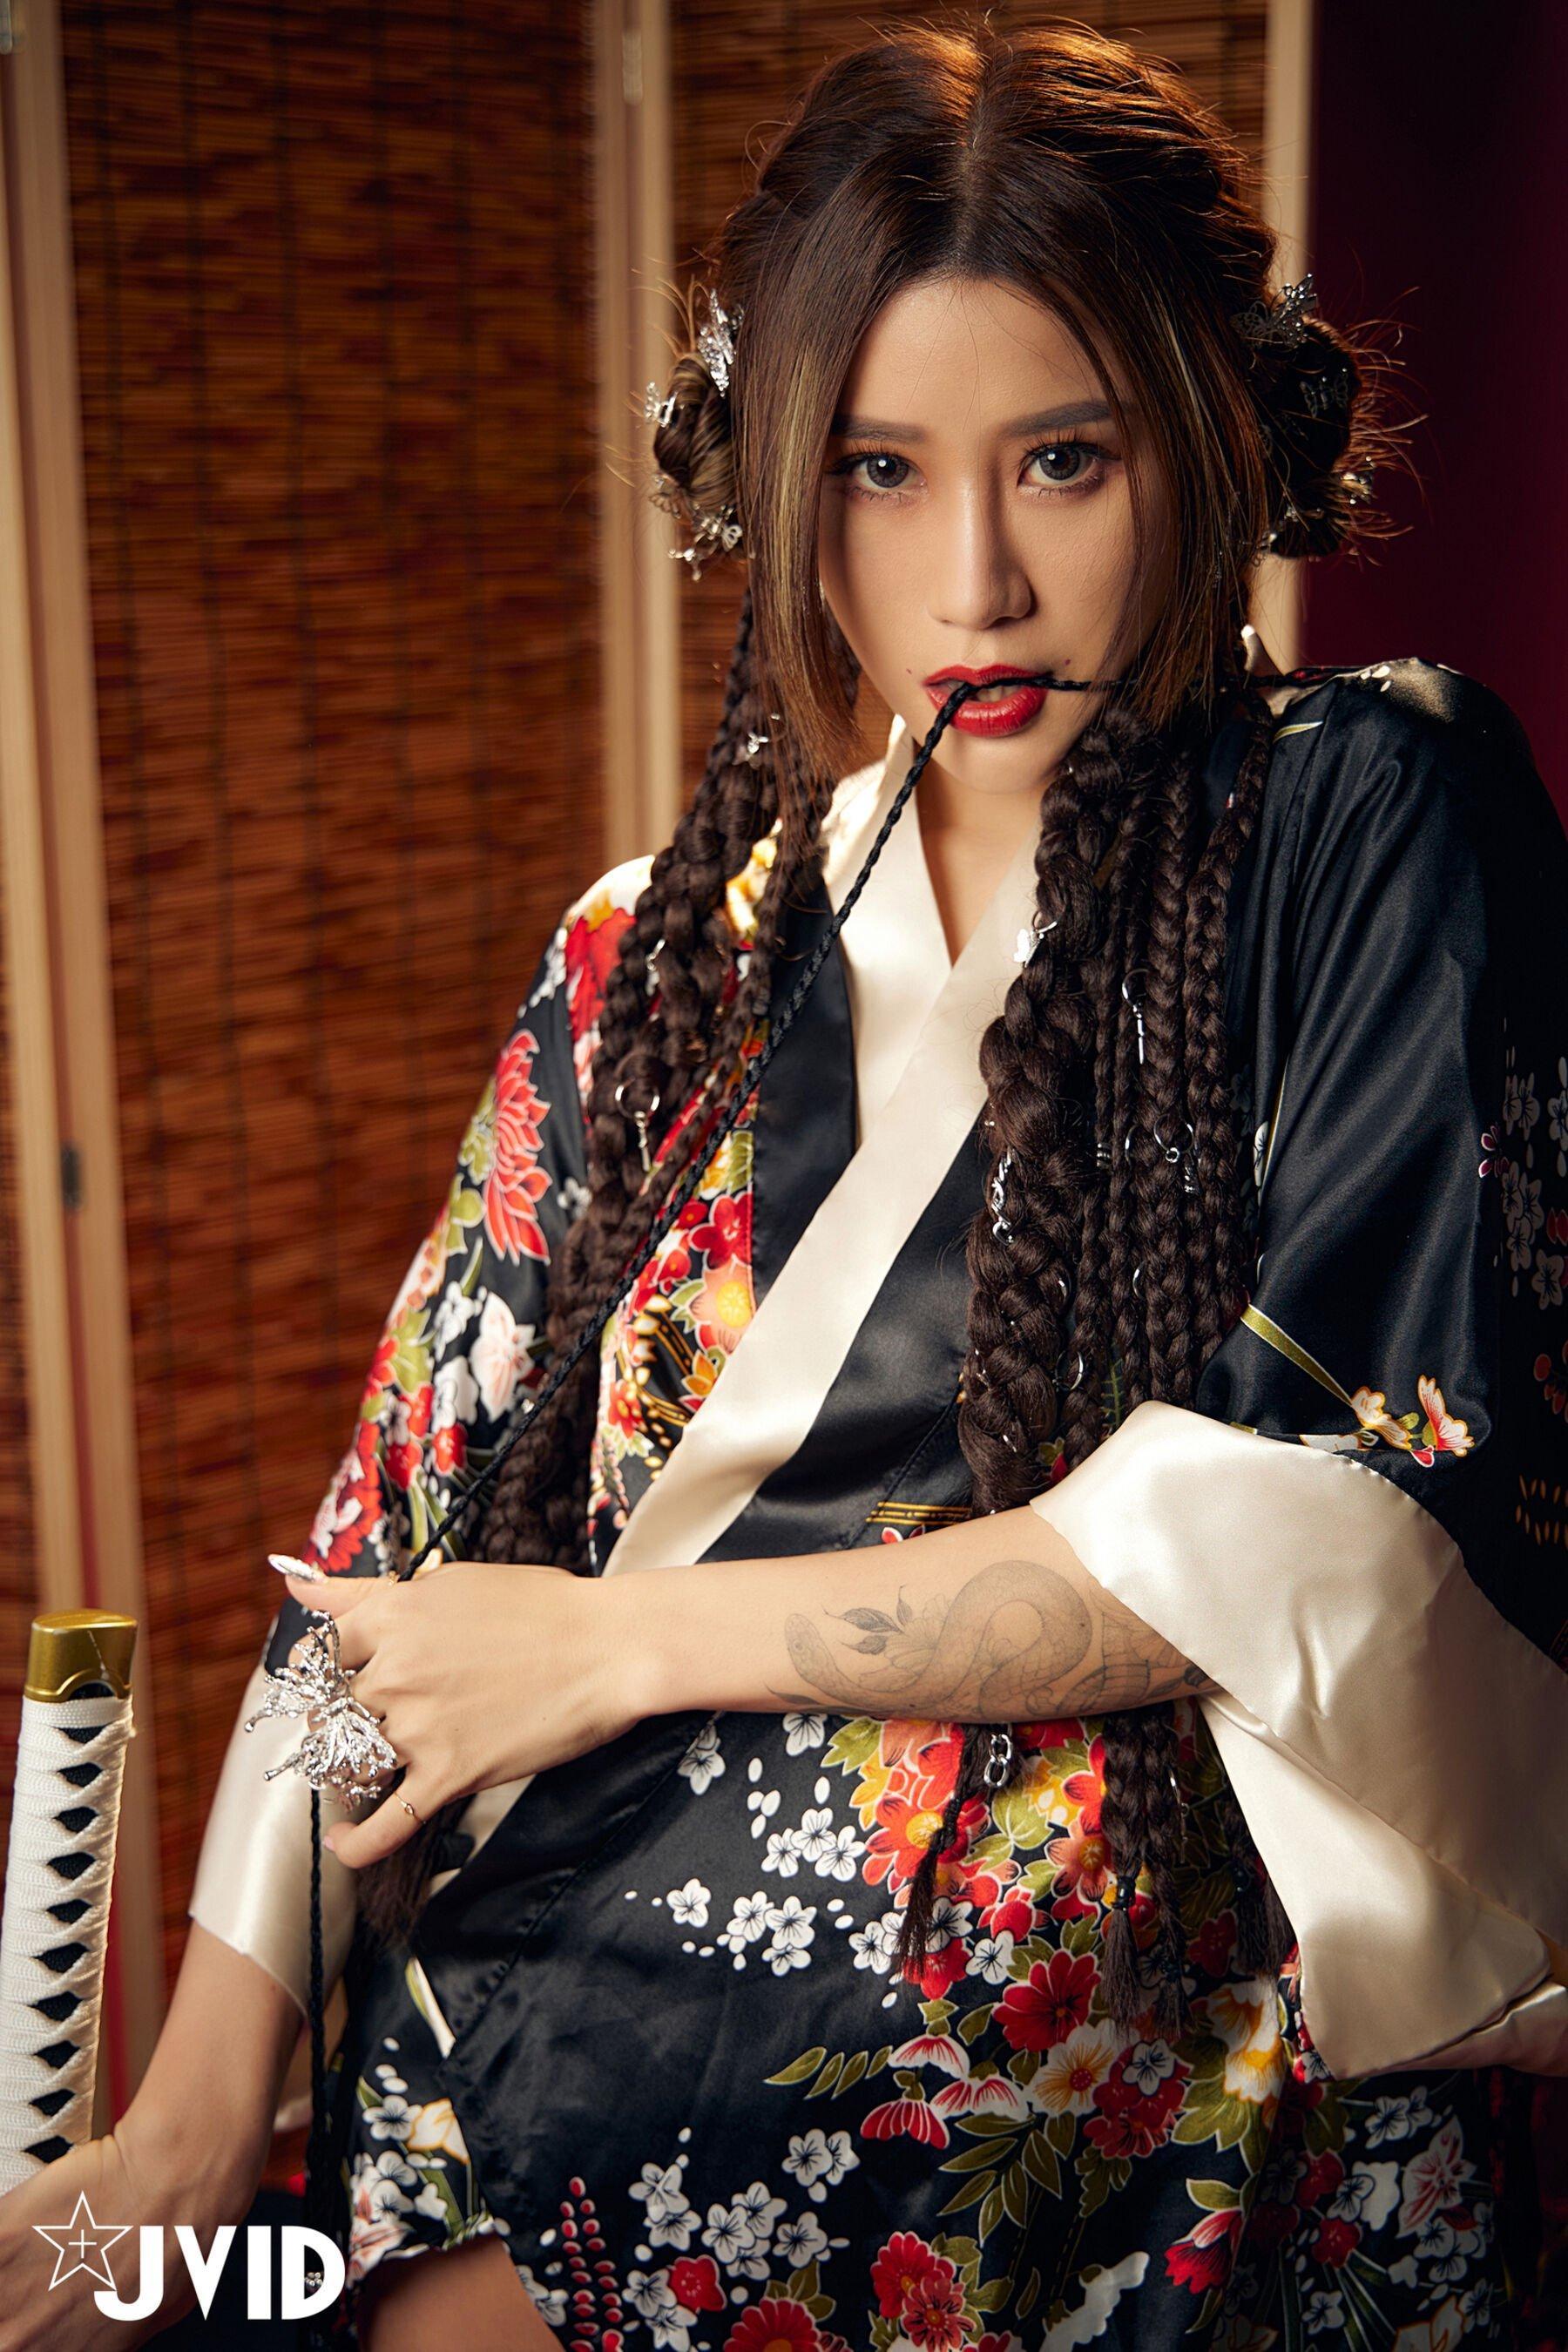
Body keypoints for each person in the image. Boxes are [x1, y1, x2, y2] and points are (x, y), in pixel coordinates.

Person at [3, 20, 1564, 2351]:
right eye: (877, 473)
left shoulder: (1367, 821)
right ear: (777, 487)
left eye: (1064, 458)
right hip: (553, 1964)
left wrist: (611, 1645)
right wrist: (185, 2128)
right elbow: (382, 1580)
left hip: (1074, 2042)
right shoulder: (657, 957)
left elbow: (1308, 1523)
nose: (975, 581)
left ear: (1210, 431)